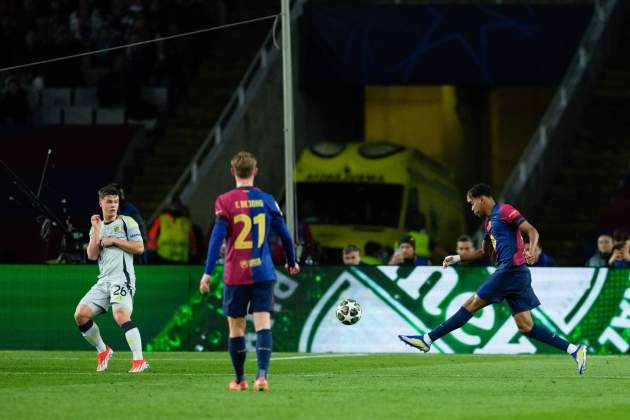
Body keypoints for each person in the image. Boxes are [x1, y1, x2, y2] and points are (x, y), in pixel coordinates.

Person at [398, 183, 587, 374]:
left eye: (472, 204)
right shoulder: (489, 223)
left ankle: (427, 339)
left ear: (482, 199)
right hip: (516, 274)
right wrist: (457, 258)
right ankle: (575, 350)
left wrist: (530, 250)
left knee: (470, 304)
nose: (472, 209)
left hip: (510, 270)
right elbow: (483, 253)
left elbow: (532, 231)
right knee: (526, 326)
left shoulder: (505, 211)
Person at [199, 151, 299, 392]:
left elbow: (217, 238)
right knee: (263, 324)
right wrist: (291, 260)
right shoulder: (267, 199)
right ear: (255, 171)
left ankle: (240, 379)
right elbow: (285, 235)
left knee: (236, 328)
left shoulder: (224, 201)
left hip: (235, 273)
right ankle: (262, 376)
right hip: (263, 272)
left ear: (233, 172)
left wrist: (207, 272)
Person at [73, 184, 149, 373]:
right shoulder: (96, 227)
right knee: (80, 315)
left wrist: (115, 240)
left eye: (116, 201)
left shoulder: (127, 222)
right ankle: (103, 350)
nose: (113, 205)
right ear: (101, 203)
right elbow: (91, 255)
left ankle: (139, 360)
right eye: (109, 202)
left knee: (121, 315)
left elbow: (139, 248)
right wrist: (96, 230)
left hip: (122, 279)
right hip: (104, 281)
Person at [146, 197, 198, 263]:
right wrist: (152, 255)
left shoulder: (186, 222)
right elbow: (152, 238)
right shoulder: (161, 220)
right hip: (163, 259)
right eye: (173, 205)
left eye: (176, 205)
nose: (175, 207)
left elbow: (193, 243)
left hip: (182, 260)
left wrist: (194, 255)